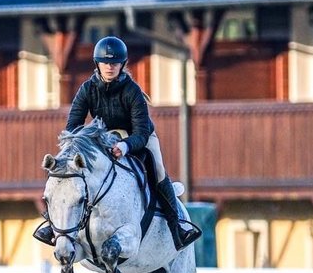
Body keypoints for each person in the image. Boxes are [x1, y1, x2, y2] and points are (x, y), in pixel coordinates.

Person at [34, 36, 201, 250]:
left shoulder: (132, 91)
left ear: (122, 64)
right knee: (64, 166)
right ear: (97, 64)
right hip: (104, 138)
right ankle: (52, 224)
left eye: (114, 63)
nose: (109, 67)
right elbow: (73, 126)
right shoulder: (87, 89)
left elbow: (141, 132)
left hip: (138, 137)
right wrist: (76, 146)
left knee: (158, 169)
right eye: (105, 62)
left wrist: (125, 146)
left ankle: (177, 227)